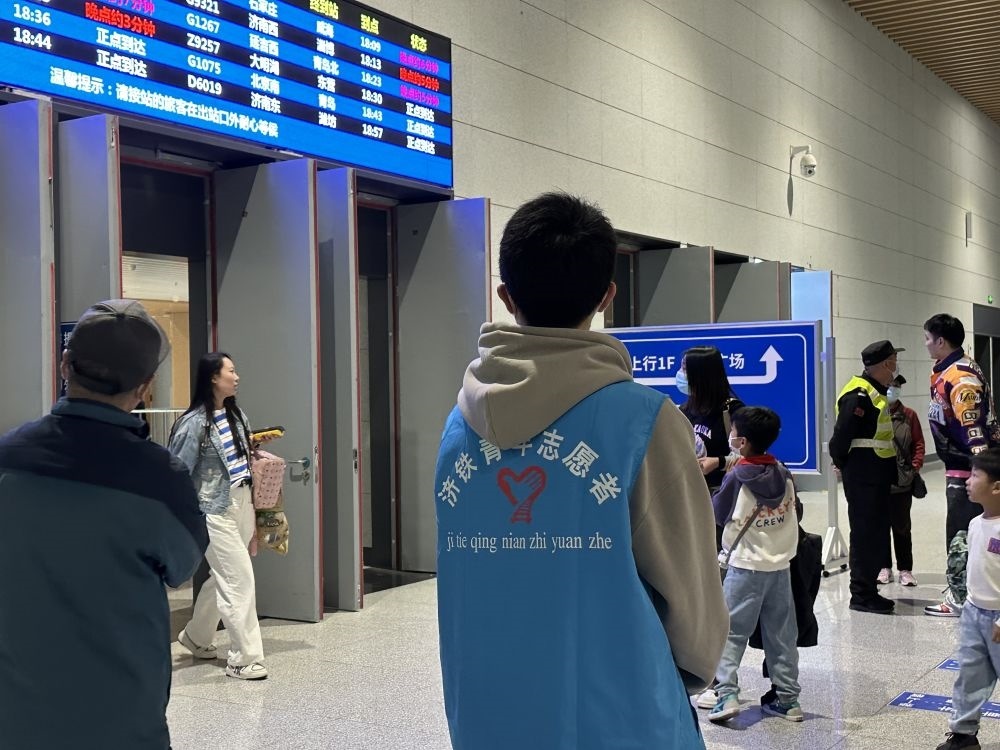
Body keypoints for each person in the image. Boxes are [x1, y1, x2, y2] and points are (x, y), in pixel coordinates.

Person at [434, 192, 728, 749]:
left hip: (487, 712)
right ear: (607, 296)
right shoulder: (645, 421)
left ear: (506, 296)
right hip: (622, 713)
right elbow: (691, 594)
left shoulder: (459, 427)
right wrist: (690, 673)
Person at [0, 299, 208, 749]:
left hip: (16, 717)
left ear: (65, 364)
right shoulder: (161, 479)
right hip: (121, 720)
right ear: (145, 388)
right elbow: (183, 566)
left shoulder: (6, 458)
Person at [168, 352, 268, 680]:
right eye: (231, 371)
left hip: (241, 502)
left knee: (223, 576)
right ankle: (243, 659)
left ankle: (196, 637)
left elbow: (242, 460)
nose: (237, 377)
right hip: (213, 510)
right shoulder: (193, 423)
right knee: (239, 579)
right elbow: (177, 472)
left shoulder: (237, 416)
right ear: (213, 377)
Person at [707, 406, 803, 724]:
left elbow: (718, 514)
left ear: (743, 442)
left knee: (730, 633)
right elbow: (797, 511)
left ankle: (726, 695)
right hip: (780, 567)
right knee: (781, 635)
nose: (731, 436)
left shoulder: (737, 476)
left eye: (733, 432)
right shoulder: (783, 472)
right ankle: (788, 700)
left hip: (745, 567)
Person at [923, 314, 1000, 618]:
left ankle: (959, 597)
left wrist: (980, 471)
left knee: (960, 534)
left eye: (928, 339)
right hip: (961, 464)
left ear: (941, 341)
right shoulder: (949, 369)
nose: (926, 344)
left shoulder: (960, 378)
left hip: (967, 468)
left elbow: (974, 430)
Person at [830, 339, 902, 615]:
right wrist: (842, 463)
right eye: (894, 360)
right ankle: (861, 594)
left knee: (875, 532)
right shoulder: (859, 394)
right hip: (863, 473)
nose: (896, 365)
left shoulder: (876, 391)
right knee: (864, 533)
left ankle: (869, 589)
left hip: (875, 473)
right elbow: (841, 436)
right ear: (886, 363)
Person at [935, 446, 1000, 750]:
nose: (967, 481)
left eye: (975, 475)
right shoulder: (975, 524)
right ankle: (963, 734)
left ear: (996, 487)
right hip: (974, 614)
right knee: (969, 675)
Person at [878, 374, 925, 587]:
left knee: (902, 527)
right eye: (889, 386)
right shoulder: (876, 412)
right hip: (879, 480)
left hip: (902, 481)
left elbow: (918, 443)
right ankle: (884, 567)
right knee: (880, 526)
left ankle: (905, 569)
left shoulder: (909, 415)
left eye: (896, 386)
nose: (892, 390)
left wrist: (914, 467)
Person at [678, 346, 744, 492]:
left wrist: (718, 462)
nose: (681, 374)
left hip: (724, 493)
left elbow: (750, 458)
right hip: (691, 492)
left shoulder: (732, 411)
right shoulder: (683, 410)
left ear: (700, 375)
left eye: (685, 370)